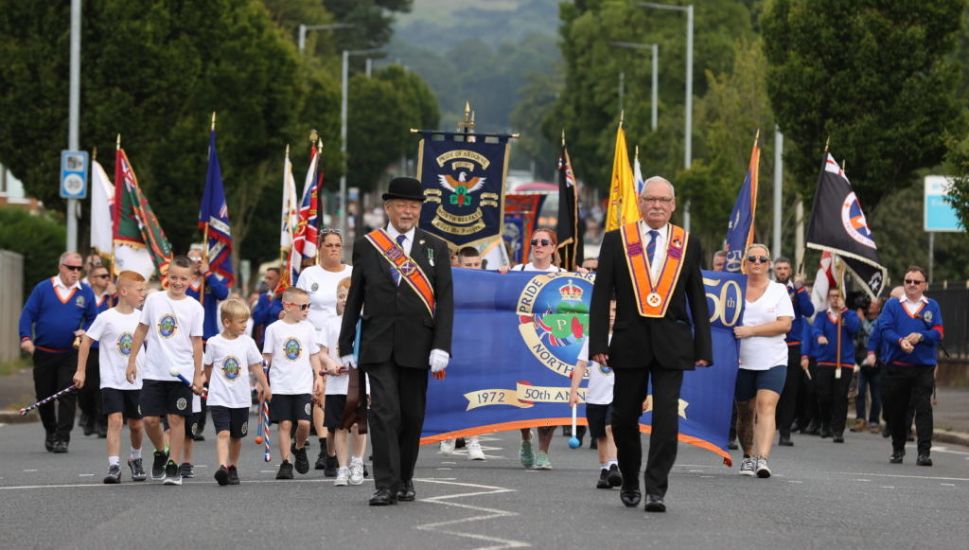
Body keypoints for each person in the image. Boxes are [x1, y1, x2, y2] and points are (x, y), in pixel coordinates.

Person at [589, 176, 712, 513]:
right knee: (625, 417)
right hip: (629, 342)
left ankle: (656, 488)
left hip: (672, 344)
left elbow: (697, 298)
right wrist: (599, 341)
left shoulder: (688, 243)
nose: (657, 205)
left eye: (663, 200)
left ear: (673, 205)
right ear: (640, 203)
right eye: (650, 199)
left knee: (667, 419)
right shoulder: (617, 241)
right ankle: (629, 478)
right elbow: (601, 295)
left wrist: (703, 346)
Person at [339, 176, 454, 506]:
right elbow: (356, 297)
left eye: (413, 206)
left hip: (419, 345)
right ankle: (385, 484)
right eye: (401, 205)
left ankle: (405, 477)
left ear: (420, 210)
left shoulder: (435, 247)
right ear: (388, 208)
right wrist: (346, 345)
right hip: (377, 343)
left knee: (412, 415)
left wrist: (442, 345)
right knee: (384, 412)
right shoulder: (367, 245)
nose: (407, 211)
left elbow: (445, 300)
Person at [125, 256, 204, 485]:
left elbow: (197, 343)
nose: (177, 282)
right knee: (150, 420)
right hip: (153, 371)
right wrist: (131, 361)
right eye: (174, 277)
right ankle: (161, 451)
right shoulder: (154, 300)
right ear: (166, 277)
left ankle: (174, 465)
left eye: (183, 278)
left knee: (176, 419)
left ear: (191, 279)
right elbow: (141, 330)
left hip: (182, 373)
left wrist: (198, 374)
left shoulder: (194, 308)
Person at [499, 228, 570, 469]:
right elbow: (500, 301)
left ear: (553, 248)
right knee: (526, 396)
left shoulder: (563, 275)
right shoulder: (518, 271)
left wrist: (585, 275)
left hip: (552, 344)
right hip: (522, 341)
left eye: (544, 242)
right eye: (535, 242)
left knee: (549, 397)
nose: (538, 246)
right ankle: (526, 438)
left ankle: (543, 452)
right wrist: (501, 277)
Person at [18, 251, 99, 453]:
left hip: (70, 353)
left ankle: (63, 438)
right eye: (71, 268)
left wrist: (86, 331)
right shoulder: (43, 288)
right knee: (44, 396)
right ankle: (51, 432)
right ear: (61, 267)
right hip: (44, 352)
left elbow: (93, 318)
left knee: (67, 393)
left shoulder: (85, 292)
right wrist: (26, 338)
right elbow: (27, 314)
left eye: (79, 268)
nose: (75, 272)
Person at [73, 270, 148, 483]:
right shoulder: (105, 318)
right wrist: (81, 370)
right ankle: (114, 465)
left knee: (136, 424)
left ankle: (136, 457)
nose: (143, 294)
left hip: (137, 380)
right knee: (115, 420)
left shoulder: (143, 318)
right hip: (111, 379)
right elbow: (86, 341)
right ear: (123, 291)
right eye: (139, 290)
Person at [733, 244, 793, 479]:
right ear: (745, 263)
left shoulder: (778, 291)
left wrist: (752, 331)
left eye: (762, 259)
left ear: (768, 264)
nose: (757, 262)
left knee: (766, 406)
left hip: (773, 358)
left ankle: (762, 459)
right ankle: (748, 456)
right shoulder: (734, 289)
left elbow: (784, 324)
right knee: (745, 413)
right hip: (741, 361)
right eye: (752, 258)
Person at [297, 229, 352, 474]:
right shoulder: (310, 274)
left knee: (344, 394)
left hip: (345, 338)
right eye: (328, 245)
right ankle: (323, 444)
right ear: (320, 248)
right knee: (320, 392)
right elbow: (299, 302)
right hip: (315, 341)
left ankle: (337, 449)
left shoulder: (352, 272)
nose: (333, 249)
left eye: (337, 245)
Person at [879, 266, 942, 466]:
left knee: (923, 409)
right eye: (908, 281)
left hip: (923, 367)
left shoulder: (932, 306)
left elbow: (938, 332)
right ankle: (898, 448)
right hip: (897, 366)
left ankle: (924, 452)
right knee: (896, 410)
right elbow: (885, 329)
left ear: (924, 285)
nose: (912, 285)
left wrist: (921, 336)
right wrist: (900, 341)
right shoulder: (892, 305)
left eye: (916, 282)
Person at [203, 299, 270, 486]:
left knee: (237, 436)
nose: (245, 325)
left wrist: (265, 386)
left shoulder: (247, 342)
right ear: (226, 322)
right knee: (223, 433)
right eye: (241, 322)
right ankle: (223, 467)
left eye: (245, 321)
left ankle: (233, 466)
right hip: (219, 397)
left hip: (240, 398)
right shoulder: (214, 343)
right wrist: (211, 384)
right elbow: (208, 367)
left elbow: (256, 367)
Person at [263, 286, 324, 479]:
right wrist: (262, 383)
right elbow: (267, 357)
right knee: (285, 424)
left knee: (304, 424)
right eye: (303, 306)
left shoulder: (308, 328)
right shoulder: (273, 329)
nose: (307, 310)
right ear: (288, 306)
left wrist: (318, 376)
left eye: (309, 306)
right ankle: (286, 463)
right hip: (281, 384)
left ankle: (298, 447)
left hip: (302, 384)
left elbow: (314, 356)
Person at [438, 246, 486, 461]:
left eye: (477, 264)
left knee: (475, 393)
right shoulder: (450, 282)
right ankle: (449, 433)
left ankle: (473, 440)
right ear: (458, 264)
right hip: (454, 342)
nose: (473, 268)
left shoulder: (489, 283)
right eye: (469, 265)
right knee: (452, 390)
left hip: (478, 343)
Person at [569, 300, 622, 490]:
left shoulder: (624, 337)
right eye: (608, 310)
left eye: (615, 310)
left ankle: (615, 465)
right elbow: (581, 365)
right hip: (595, 395)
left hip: (617, 394)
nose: (611, 314)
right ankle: (605, 469)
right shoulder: (593, 338)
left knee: (611, 428)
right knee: (599, 435)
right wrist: (574, 391)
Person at [321, 277, 368, 486]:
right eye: (341, 296)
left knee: (359, 426)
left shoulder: (365, 323)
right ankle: (342, 467)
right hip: (336, 386)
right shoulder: (330, 323)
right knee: (340, 427)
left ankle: (357, 462)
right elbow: (322, 352)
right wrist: (330, 363)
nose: (344, 300)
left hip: (360, 383)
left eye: (349, 297)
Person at [185, 248, 230, 445]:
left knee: (202, 382)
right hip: (185, 339)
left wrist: (208, 273)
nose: (195, 261)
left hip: (205, 337)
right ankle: (185, 418)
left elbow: (223, 293)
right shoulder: (183, 283)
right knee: (186, 380)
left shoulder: (208, 282)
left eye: (198, 258)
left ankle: (198, 424)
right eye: (192, 258)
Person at [773, 257, 815, 446]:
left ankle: (785, 432)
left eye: (785, 268)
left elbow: (808, 311)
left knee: (790, 390)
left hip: (792, 347)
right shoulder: (770, 289)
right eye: (779, 268)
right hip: (772, 344)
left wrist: (800, 289)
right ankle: (769, 425)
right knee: (772, 388)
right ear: (774, 271)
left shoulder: (797, 290)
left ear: (790, 271)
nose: (782, 271)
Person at [811, 287, 860, 443]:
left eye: (837, 296)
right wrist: (819, 336)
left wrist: (844, 310)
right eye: (831, 296)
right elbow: (815, 329)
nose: (834, 299)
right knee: (824, 395)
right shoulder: (822, 316)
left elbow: (855, 328)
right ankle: (825, 423)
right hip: (825, 361)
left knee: (841, 397)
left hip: (844, 362)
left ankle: (838, 430)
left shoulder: (850, 315)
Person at [77, 263, 115, 439]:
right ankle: (88, 414)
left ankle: (102, 422)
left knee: (103, 386)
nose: (107, 279)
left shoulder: (112, 297)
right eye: (102, 276)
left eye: (108, 276)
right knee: (86, 388)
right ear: (93, 279)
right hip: (89, 347)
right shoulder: (85, 295)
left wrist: (114, 295)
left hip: (107, 348)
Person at [852, 298, 883, 433]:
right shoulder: (859, 320)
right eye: (868, 303)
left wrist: (862, 319)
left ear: (879, 307)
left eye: (874, 303)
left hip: (876, 362)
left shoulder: (881, 320)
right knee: (859, 392)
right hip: (861, 361)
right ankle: (860, 419)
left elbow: (873, 333)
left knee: (876, 394)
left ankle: (874, 421)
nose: (870, 305)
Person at [251, 267, 283, 349]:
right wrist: (271, 303)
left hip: (282, 339)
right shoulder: (264, 297)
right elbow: (257, 319)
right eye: (266, 278)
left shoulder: (285, 297)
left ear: (279, 279)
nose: (267, 281)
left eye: (270, 278)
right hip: (266, 341)